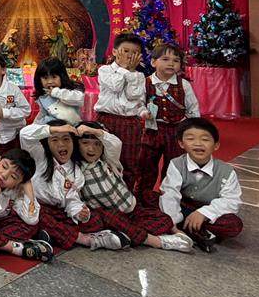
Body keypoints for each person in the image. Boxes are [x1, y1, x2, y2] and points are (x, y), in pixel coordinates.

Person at [21, 120, 192, 253]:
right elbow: (25, 134)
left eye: (66, 139)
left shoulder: (92, 166)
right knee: (43, 217)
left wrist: (79, 211)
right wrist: (55, 129)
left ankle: (134, 232)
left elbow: (72, 198)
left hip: (126, 210)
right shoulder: (40, 158)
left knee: (160, 217)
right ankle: (94, 239)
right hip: (44, 210)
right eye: (55, 140)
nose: (61, 145)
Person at [159, 117, 243, 252]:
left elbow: (232, 200)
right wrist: (173, 223)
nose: (198, 144)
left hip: (207, 213)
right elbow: (170, 194)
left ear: (216, 145)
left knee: (233, 224)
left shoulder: (226, 171)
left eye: (205, 139)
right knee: (149, 197)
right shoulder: (176, 164)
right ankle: (195, 231)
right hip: (183, 208)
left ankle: (194, 229)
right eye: (190, 139)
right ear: (181, 143)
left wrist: (203, 213)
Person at [138, 43, 200, 204]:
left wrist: (193, 130)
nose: (171, 63)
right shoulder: (145, 83)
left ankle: (169, 196)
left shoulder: (183, 84)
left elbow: (193, 108)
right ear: (153, 62)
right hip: (152, 130)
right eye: (165, 59)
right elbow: (138, 104)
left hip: (176, 131)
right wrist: (143, 112)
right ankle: (143, 196)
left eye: (176, 60)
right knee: (146, 164)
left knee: (173, 165)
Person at [94, 33, 148, 198]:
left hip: (130, 122)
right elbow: (115, 86)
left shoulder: (139, 76)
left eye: (134, 52)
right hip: (106, 119)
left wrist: (130, 73)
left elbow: (133, 95)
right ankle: (103, 194)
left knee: (129, 160)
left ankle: (126, 196)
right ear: (115, 51)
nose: (129, 56)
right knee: (103, 158)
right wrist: (124, 69)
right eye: (125, 51)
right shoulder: (104, 70)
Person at [33, 57, 84, 125]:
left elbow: (79, 99)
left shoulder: (70, 91)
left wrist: (56, 92)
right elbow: (42, 114)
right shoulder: (43, 97)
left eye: (54, 77)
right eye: (45, 78)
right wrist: (34, 126)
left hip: (72, 127)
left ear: (62, 76)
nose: (50, 82)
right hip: (53, 127)